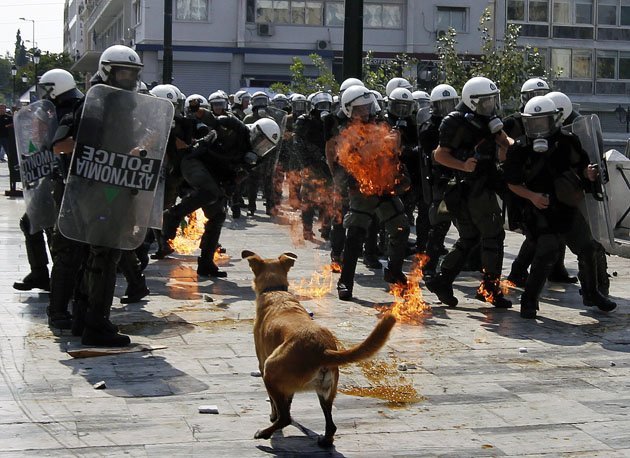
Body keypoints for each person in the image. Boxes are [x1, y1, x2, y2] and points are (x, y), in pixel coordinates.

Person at [64, 45, 150, 346]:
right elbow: (88, 146)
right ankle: (95, 325)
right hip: (102, 188)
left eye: (133, 72)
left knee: (97, 254)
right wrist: (126, 154)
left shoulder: (119, 103)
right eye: (123, 71)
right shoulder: (99, 102)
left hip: (112, 184)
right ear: (107, 70)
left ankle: (83, 320)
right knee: (105, 253)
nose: (128, 77)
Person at [503, 96, 616, 318]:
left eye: (542, 123)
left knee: (587, 247)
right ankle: (529, 302)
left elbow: (581, 167)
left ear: (554, 120)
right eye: (532, 123)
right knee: (547, 252)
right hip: (538, 209)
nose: (537, 128)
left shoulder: (568, 141)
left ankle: (592, 293)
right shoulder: (520, 148)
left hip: (565, 206)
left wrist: (588, 174)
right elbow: (512, 183)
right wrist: (533, 197)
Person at [425, 76, 512, 308]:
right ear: (472, 101)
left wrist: (515, 146)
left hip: (482, 183)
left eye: (493, 100)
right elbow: (439, 154)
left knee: (470, 237)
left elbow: (505, 142)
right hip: (468, 187)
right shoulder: (454, 122)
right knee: (493, 235)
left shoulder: (489, 120)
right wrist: (463, 165)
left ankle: (443, 279)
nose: (491, 106)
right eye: (486, 102)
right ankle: (490, 289)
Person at [329, 85, 410, 300]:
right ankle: (345, 282)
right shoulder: (346, 132)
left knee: (401, 228)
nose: (364, 112)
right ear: (348, 111)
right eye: (359, 109)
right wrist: (380, 144)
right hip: (362, 188)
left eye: (366, 106)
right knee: (355, 235)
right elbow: (353, 157)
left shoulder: (382, 124)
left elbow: (396, 152)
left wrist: (395, 142)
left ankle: (394, 273)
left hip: (385, 185)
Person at [503, 79, 578, 287]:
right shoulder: (513, 122)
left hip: (549, 187)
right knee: (534, 235)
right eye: (533, 94)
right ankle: (518, 273)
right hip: (523, 186)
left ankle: (556, 269)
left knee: (552, 230)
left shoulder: (556, 124)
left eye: (542, 93)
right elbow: (500, 149)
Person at [31, 69, 86, 329]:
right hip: (65, 184)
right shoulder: (61, 110)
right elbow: (54, 145)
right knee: (67, 250)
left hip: (81, 186)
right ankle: (58, 308)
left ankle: (73, 304)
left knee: (78, 250)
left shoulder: (72, 108)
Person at [417, 84, 459, 277]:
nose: (446, 109)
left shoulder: (458, 122)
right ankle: (429, 265)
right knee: (440, 225)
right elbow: (433, 154)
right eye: (442, 105)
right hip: (442, 181)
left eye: (450, 104)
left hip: (460, 177)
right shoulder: (430, 127)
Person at [293, 91, 334, 240]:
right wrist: (307, 163)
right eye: (321, 105)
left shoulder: (331, 120)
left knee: (329, 199)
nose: (324, 108)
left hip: (328, 165)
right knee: (308, 199)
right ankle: (307, 229)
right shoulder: (305, 120)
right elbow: (298, 143)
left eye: (327, 105)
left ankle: (326, 228)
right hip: (311, 165)